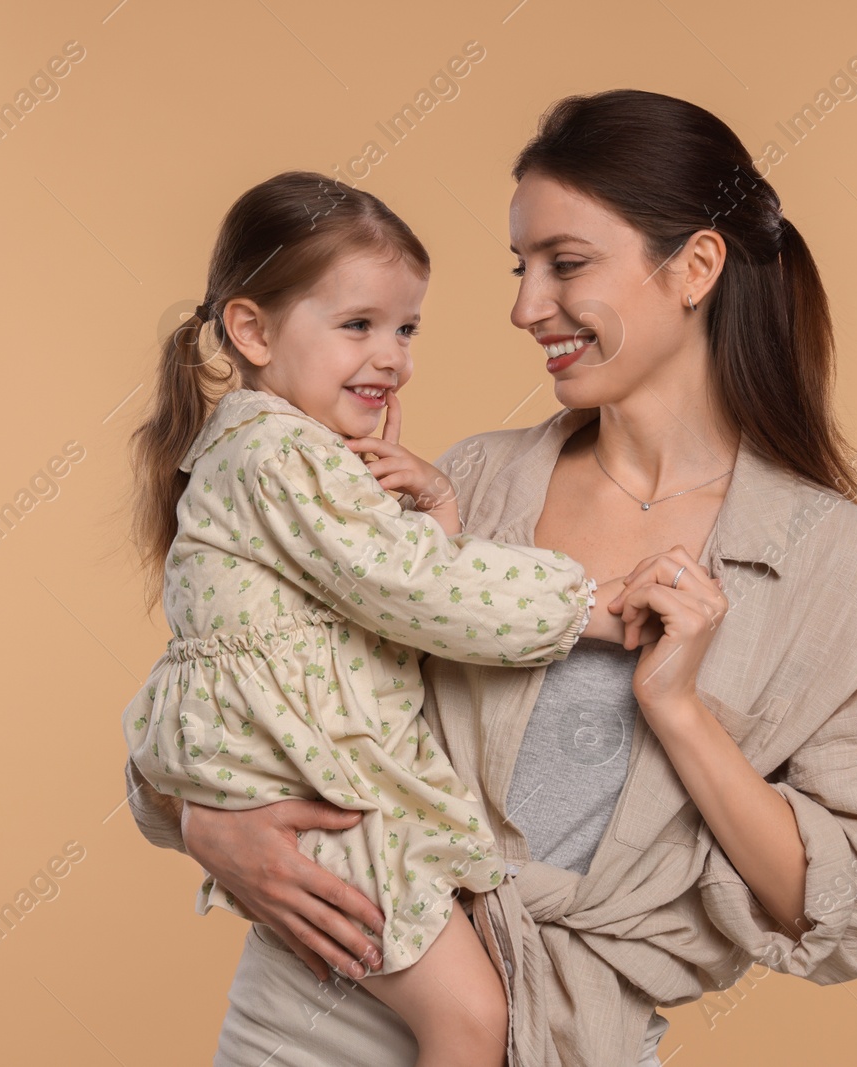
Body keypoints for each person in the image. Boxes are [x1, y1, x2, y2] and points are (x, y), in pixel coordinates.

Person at [127, 90, 857, 1067]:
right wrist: (210, 828)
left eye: (566, 264)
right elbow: (236, 677)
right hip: (310, 1011)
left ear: (694, 267)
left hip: (572, 1036)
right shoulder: (466, 481)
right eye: (521, 268)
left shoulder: (832, 562)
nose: (523, 307)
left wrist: (679, 711)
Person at [121, 170, 665, 1067]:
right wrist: (595, 606)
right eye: (358, 326)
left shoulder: (266, 450)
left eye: (406, 327)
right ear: (251, 330)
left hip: (306, 789)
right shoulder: (280, 453)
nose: (393, 357)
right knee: (470, 1020)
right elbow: (416, 592)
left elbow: (391, 606)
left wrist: (434, 518)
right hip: (329, 807)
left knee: (472, 1009)